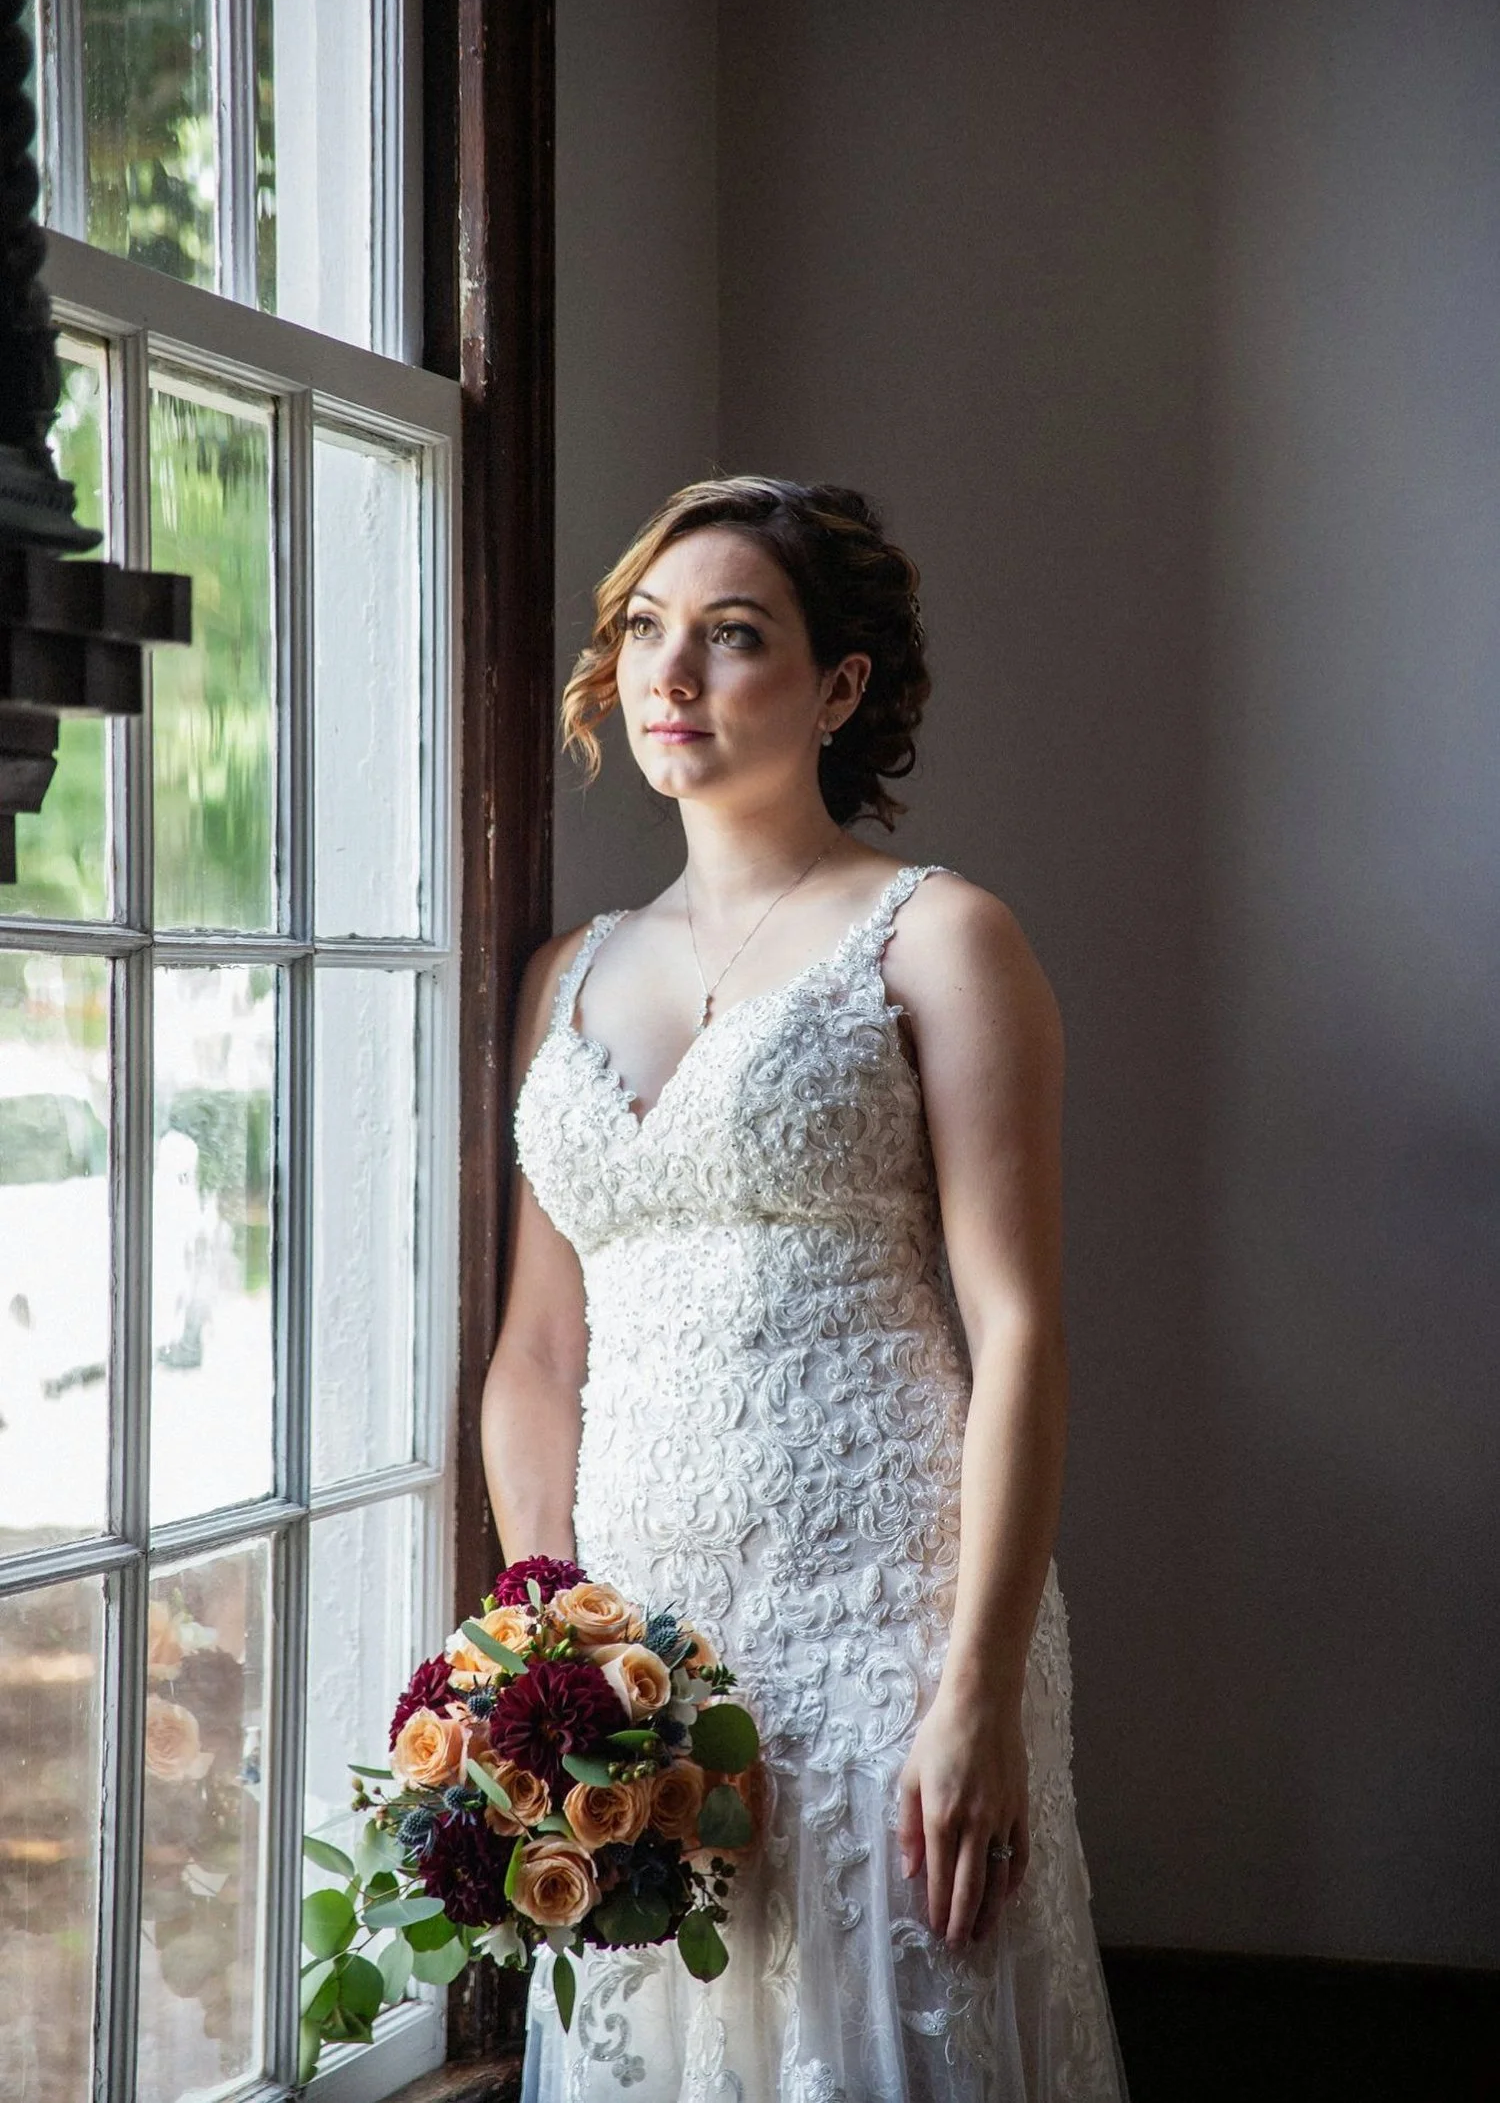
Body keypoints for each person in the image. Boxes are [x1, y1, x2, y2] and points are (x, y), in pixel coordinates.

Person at [483, 477, 1131, 2100]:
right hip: (650, 1648)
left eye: (732, 636)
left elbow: (1022, 1327)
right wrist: (554, 1662)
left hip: (887, 1630)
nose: (671, 674)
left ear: (839, 688)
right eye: (644, 631)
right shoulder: (567, 971)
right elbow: (539, 1348)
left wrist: (974, 1685)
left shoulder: (940, 939)